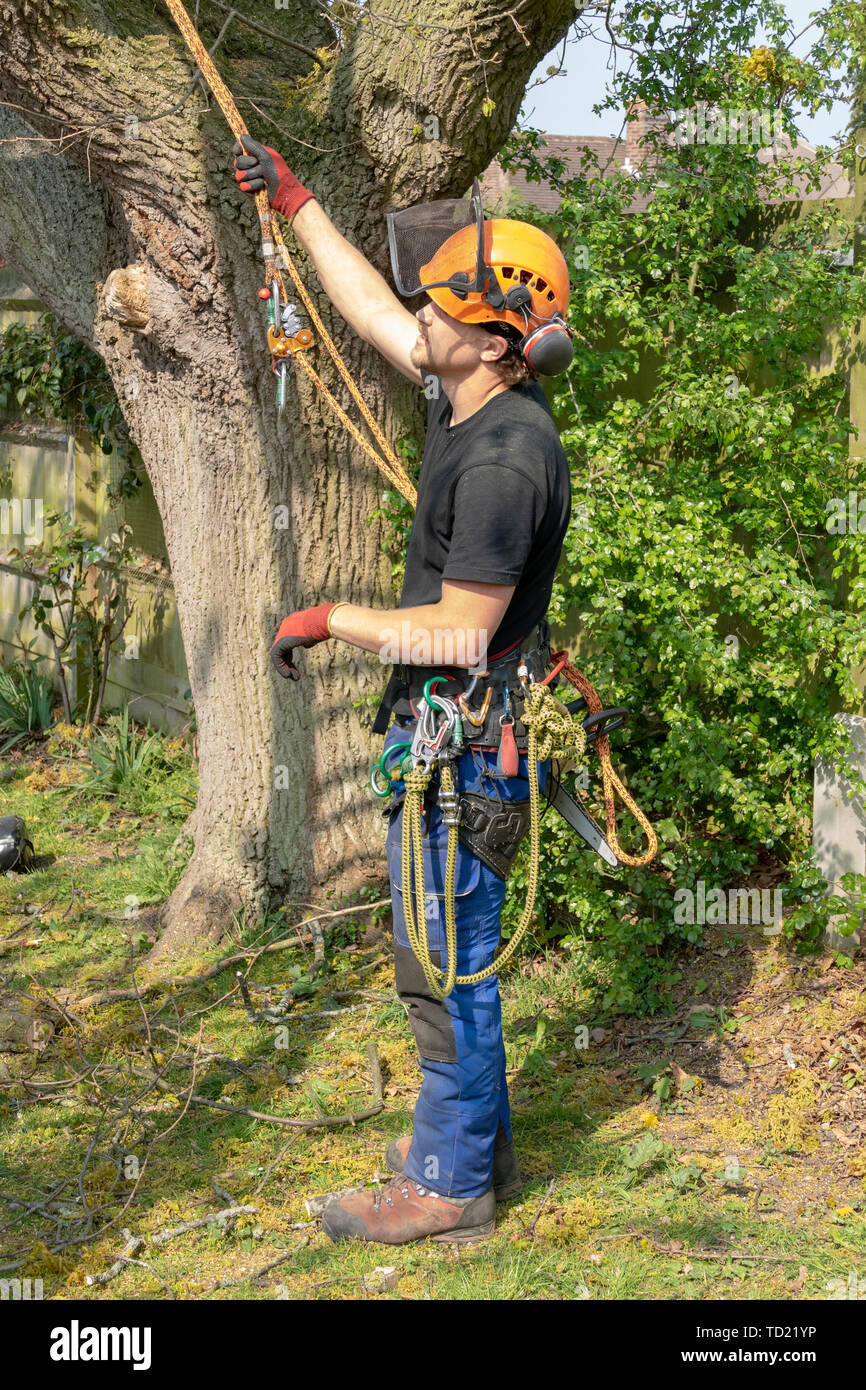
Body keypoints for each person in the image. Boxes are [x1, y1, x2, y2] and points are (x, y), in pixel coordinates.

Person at [232, 138, 573, 1244]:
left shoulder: (502, 463)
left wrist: (332, 619)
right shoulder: (467, 392)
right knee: (450, 959)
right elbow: (375, 310)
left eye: (441, 312)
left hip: (465, 743)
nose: (417, 322)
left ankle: (446, 1184)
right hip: (451, 741)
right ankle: (478, 1144)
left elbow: (464, 633)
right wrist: (300, 207)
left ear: (492, 340)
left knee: (441, 967)